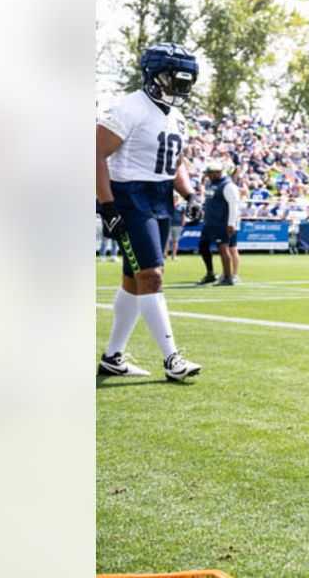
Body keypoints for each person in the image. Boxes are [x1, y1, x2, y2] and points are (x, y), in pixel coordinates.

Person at [95, 42, 203, 381]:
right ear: (155, 76)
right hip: (131, 197)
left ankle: (113, 356)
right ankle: (172, 358)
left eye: (187, 81)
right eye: (177, 79)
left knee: (133, 280)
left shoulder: (178, 117)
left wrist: (189, 194)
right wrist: (107, 204)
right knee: (152, 276)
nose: (182, 88)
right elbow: (93, 153)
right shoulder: (129, 108)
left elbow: (177, 163)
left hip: (159, 198)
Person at [196, 161, 242, 286]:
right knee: (203, 246)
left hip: (222, 222)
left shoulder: (228, 185)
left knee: (223, 248)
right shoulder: (211, 183)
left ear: (218, 172)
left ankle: (228, 276)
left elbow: (234, 205)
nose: (208, 176)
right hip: (209, 221)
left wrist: (231, 223)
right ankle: (210, 273)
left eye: (210, 173)